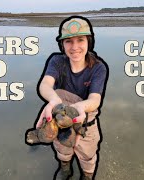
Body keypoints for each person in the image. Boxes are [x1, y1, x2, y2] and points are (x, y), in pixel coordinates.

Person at [36, 16, 108, 180]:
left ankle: (87, 176)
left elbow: (95, 99)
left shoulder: (98, 67)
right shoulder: (57, 61)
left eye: (80, 40)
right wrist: (54, 101)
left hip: (86, 122)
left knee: (87, 155)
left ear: (89, 41)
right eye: (69, 41)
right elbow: (45, 84)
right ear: (62, 44)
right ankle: (65, 169)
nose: (75, 47)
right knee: (62, 149)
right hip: (60, 121)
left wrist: (79, 108)